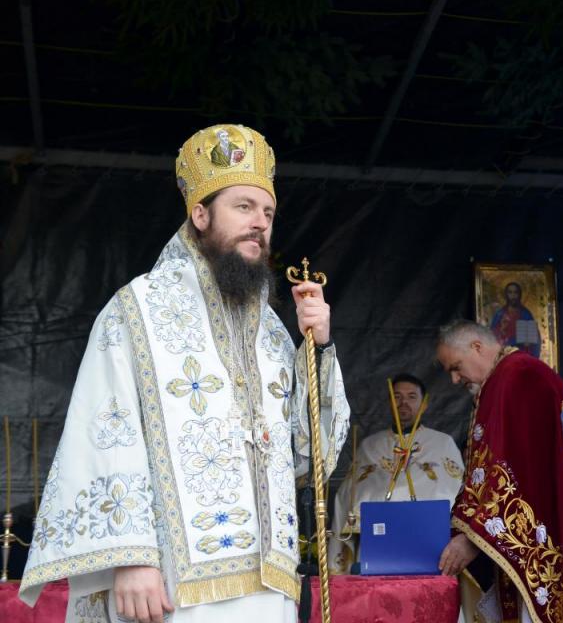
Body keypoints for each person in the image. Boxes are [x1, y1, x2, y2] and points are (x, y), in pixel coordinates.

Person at [19, 124, 351, 623]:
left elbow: (307, 457)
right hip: (173, 582)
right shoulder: (138, 309)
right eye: (243, 207)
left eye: (268, 213)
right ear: (200, 214)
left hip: (270, 583)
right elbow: (106, 429)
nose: (259, 223)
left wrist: (318, 349)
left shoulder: (273, 333)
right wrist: (132, 558)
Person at [435, 320, 563, 623]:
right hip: (519, 531)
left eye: (456, 367)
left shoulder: (521, 375)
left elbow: (521, 470)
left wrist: (473, 537)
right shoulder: (501, 378)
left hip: (544, 528)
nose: (454, 379)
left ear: (477, 347)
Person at [328, 373, 464, 574]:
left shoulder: (442, 443)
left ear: (424, 404)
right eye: (397, 397)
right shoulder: (370, 445)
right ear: (389, 402)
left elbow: (454, 490)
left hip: (428, 541)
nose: (403, 403)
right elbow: (348, 494)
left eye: (411, 397)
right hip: (377, 541)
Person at [489, 282, 541, 358]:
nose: (513, 296)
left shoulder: (525, 314)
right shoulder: (500, 314)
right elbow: (492, 336)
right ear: (506, 295)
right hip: (504, 355)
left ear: (519, 294)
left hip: (521, 355)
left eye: (515, 292)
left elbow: (531, 342)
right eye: (510, 292)